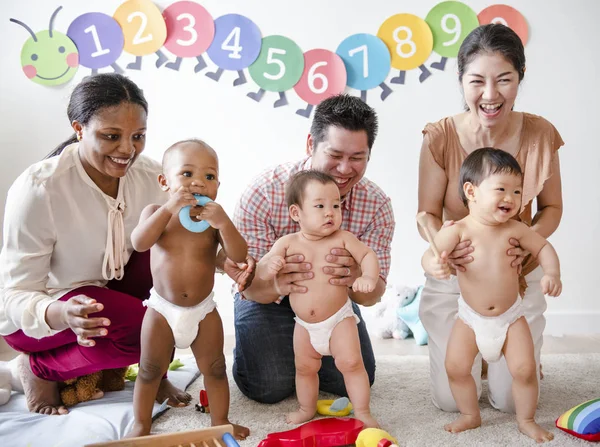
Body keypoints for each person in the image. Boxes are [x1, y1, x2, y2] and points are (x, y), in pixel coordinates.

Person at [0, 73, 191, 415]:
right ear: (79, 128)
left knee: (171, 255)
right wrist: (60, 313)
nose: (127, 150)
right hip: (42, 313)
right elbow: (13, 293)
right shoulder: (38, 188)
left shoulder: (151, 176)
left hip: (106, 294)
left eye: (138, 136)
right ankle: (39, 368)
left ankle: (154, 372)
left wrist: (226, 262)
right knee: (144, 335)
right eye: (111, 136)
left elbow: (186, 243)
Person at [417, 23, 564, 414]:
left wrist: (525, 245)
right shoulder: (440, 135)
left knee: (511, 401)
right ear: (461, 81)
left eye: (504, 80)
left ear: (520, 78)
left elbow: (552, 208)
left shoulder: (540, 134)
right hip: (461, 273)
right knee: (450, 401)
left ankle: (521, 354)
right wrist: (442, 254)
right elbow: (426, 214)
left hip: (517, 268)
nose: (490, 94)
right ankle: (476, 357)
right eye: (477, 81)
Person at [218, 94, 395, 404]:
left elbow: (372, 294)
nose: (344, 168)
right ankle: (261, 351)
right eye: (335, 154)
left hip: (333, 302)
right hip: (264, 299)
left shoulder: (376, 205)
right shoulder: (265, 192)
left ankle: (303, 356)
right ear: (310, 144)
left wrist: (357, 275)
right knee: (268, 385)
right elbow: (247, 285)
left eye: (357, 157)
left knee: (349, 377)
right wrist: (273, 280)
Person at [428, 148, 560, 442]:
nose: (510, 198)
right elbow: (431, 252)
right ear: (471, 191)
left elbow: (543, 248)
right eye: (501, 189)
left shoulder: (517, 229)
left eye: (516, 191)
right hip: (470, 318)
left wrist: (552, 273)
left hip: (510, 317)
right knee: (456, 367)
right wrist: (435, 263)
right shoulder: (458, 230)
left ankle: (526, 419)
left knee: (524, 370)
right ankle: (470, 414)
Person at [126, 140, 249, 439]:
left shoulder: (211, 221)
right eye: (186, 173)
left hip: (203, 310)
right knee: (149, 369)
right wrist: (169, 208)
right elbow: (139, 242)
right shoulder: (157, 212)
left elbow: (239, 255)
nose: (198, 182)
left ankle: (221, 421)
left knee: (216, 368)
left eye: (209, 177)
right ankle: (141, 424)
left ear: (218, 185)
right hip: (162, 310)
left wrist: (224, 224)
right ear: (164, 181)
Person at [257, 170, 380, 427]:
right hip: (303, 324)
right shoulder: (287, 242)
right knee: (304, 368)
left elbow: (368, 255)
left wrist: (368, 276)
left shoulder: (344, 238)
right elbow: (263, 266)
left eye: (336, 205)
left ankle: (363, 412)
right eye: (320, 206)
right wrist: (269, 267)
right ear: (295, 213)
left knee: (352, 364)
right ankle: (306, 408)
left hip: (338, 320)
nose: (330, 212)